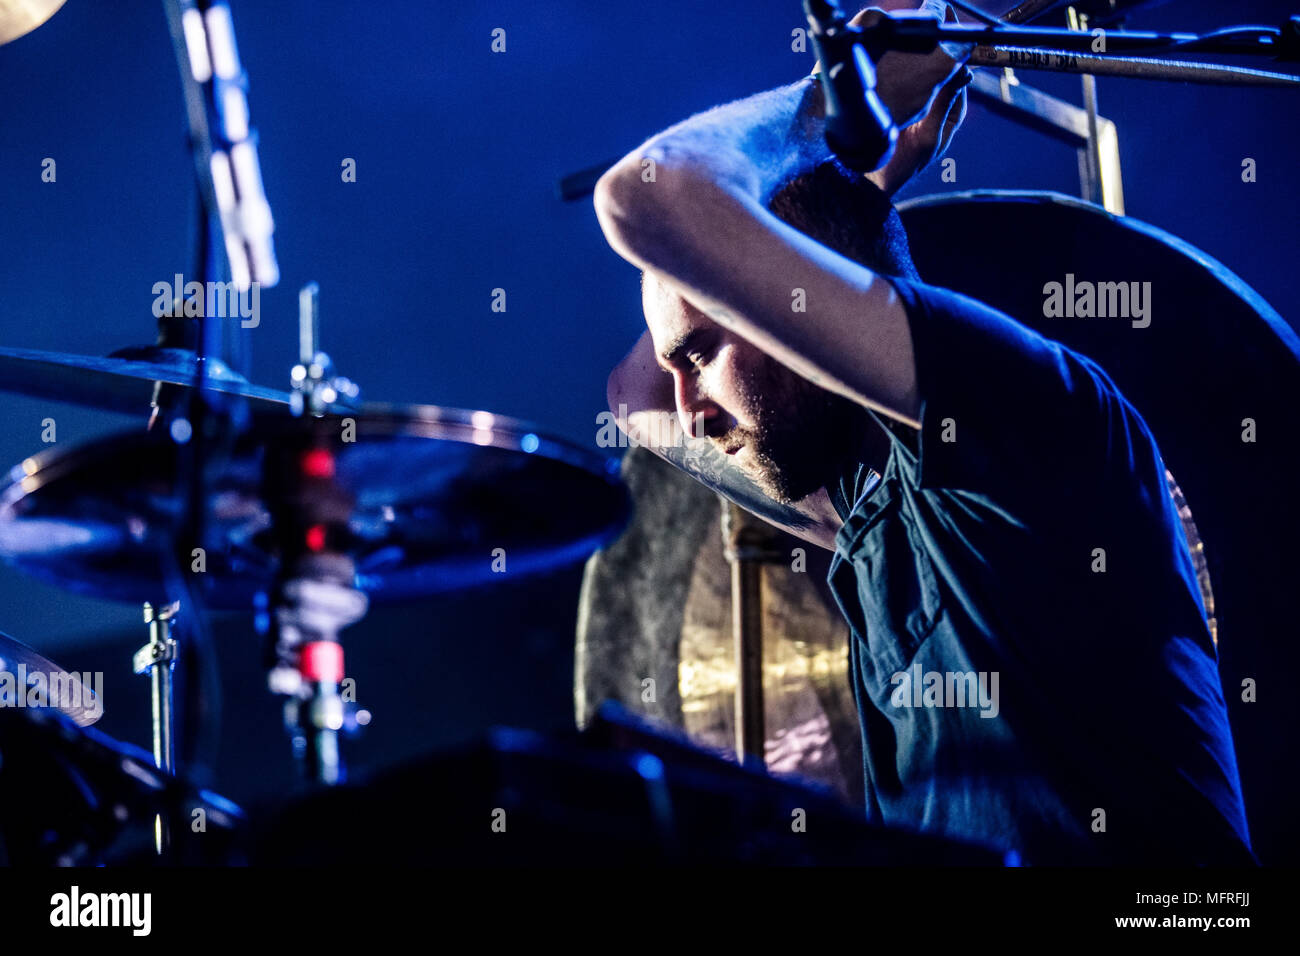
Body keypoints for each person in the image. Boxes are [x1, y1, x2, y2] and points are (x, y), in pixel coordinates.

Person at [592, 1, 1254, 864]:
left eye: (705, 353)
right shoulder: (863, 512)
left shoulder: (1021, 410)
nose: (688, 408)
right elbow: (632, 400)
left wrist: (828, 110)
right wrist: (849, 191)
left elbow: (650, 197)